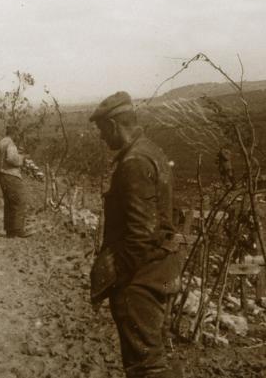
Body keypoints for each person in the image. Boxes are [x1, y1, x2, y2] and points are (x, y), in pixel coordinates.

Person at [89, 92, 182, 378]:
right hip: (160, 267)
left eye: (103, 130)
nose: (103, 138)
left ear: (115, 126)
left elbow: (140, 234)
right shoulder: (151, 151)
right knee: (157, 355)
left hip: (140, 277)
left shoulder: (133, 162)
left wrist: (117, 276)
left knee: (145, 366)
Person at [0, 125, 32, 238]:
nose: (17, 136)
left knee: (9, 203)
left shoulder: (1, 143)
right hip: (11, 175)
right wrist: (22, 158)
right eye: (16, 134)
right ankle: (18, 230)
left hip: (2, 175)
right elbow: (12, 159)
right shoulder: (10, 144)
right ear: (14, 133)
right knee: (19, 201)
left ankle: (10, 231)